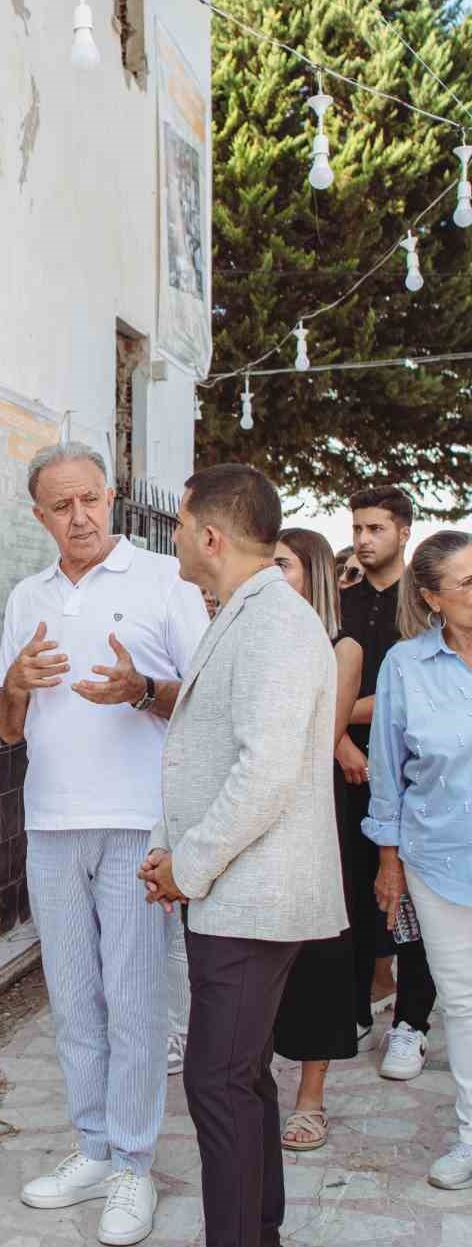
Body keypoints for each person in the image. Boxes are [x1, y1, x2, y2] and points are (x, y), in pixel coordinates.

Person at [122, 465, 346, 1247]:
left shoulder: (277, 624)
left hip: (253, 896)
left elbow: (263, 774)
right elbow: (212, 756)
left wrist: (189, 862)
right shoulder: (250, 614)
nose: (173, 539)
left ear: (211, 535)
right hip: (233, 889)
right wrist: (171, 850)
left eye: (178, 524)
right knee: (244, 1078)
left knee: (216, 1082)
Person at [0, 443, 209, 1247]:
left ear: (112, 498)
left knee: (136, 1000)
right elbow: (7, 728)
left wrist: (140, 691)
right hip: (50, 823)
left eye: (90, 500)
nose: (78, 517)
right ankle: (91, 1148)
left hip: (135, 823)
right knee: (74, 996)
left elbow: (205, 699)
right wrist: (13, 684)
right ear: (39, 515)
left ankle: (133, 1165)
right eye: (60, 506)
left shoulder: (163, 580)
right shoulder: (28, 595)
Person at [365, 531, 472, 1189]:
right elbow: (388, 772)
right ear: (432, 598)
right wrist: (389, 860)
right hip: (438, 858)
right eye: (466, 583)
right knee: (460, 1002)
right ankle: (471, 1138)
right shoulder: (405, 665)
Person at [270, 528, 364, 1151]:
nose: (271, 576)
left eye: (283, 565)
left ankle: (310, 1097)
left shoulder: (343, 647)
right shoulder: (249, 637)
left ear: (315, 575)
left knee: (320, 953)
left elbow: (317, 736)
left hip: (313, 813)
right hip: (254, 815)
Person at [338, 487, 436, 1078]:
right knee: (348, 891)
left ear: (403, 531)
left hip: (410, 773)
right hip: (344, 767)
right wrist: (341, 742)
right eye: (357, 528)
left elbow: (415, 697)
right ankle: (351, 1008)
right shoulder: (341, 603)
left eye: (375, 528)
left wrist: (343, 716)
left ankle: (411, 1021)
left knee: (410, 900)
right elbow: (316, 686)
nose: (363, 539)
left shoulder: (424, 604)